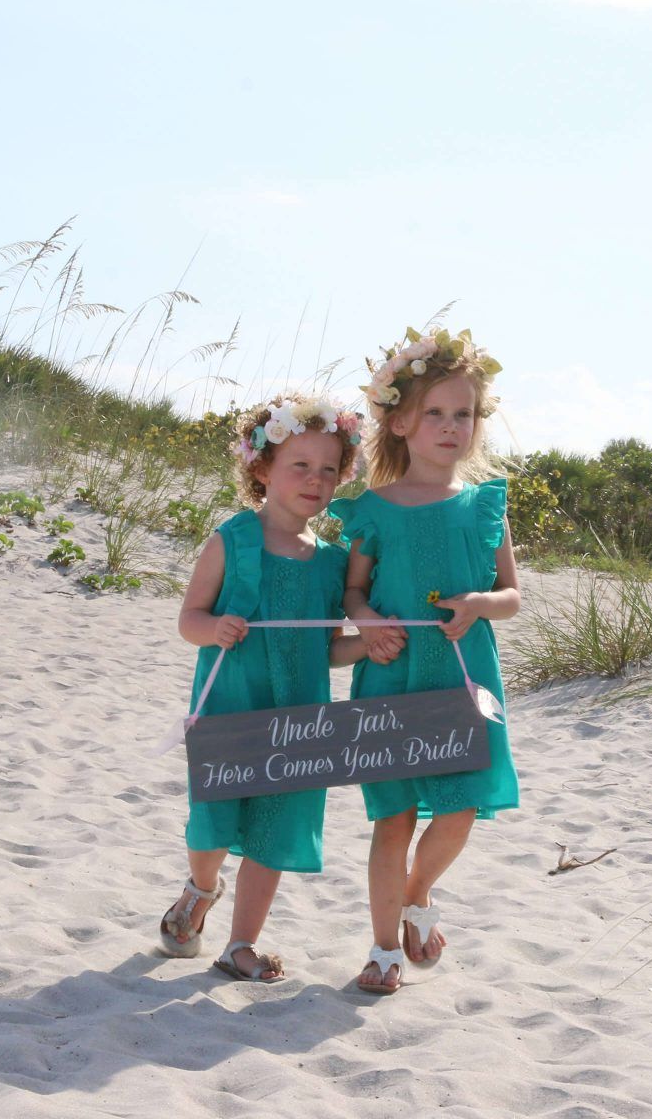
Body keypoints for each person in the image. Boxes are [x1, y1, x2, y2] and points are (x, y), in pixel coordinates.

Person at [328, 327, 520, 995]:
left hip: (464, 674)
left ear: (477, 423)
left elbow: (513, 597)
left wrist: (478, 603)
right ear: (401, 421)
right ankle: (383, 949)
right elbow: (354, 589)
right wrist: (368, 620)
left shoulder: (484, 504)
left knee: (461, 807)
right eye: (434, 413)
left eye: (461, 414)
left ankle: (417, 893)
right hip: (392, 672)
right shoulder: (372, 508)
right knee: (394, 817)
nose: (449, 426)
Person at [161, 396, 367, 982]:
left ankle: (240, 943)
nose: (315, 480)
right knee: (214, 820)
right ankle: (201, 888)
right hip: (233, 704)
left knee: (275, 826)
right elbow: (188, 620)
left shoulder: (332, 563)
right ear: (261, 470)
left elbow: (325, 646)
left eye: (329, 469)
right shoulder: (233, 540)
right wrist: (215, 628)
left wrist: (369, 642)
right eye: (299, 465)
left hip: (299, 711)